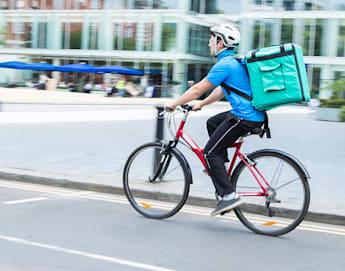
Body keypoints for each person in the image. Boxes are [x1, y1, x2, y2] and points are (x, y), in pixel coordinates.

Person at [165, 24, 265, 216]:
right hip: (251, 115)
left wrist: (173, 103)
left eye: (212, 40)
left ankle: (228, 195)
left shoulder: (224, 64)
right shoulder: (234, 61)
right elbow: (221, 90)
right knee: (212, 122)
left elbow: (197, 89)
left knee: (209, 152)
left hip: (244, 117)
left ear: (220, 42)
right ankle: (220, 164)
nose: (209, 43)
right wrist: (201, 105)